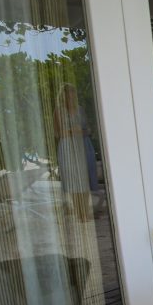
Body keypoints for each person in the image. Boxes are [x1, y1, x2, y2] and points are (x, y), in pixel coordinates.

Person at [54, 83, 99, 219]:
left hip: (83, 146)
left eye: (73, 93)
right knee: (73, 180)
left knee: (84, 179)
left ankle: (85, 211)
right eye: (68, 94)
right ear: (63, 96)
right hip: (67, 147)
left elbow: (89, 130)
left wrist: (82, 131)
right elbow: (57, 133)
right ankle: (79, 213)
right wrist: (72, 131)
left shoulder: (80, 109)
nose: (71, 96)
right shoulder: (59, 111)